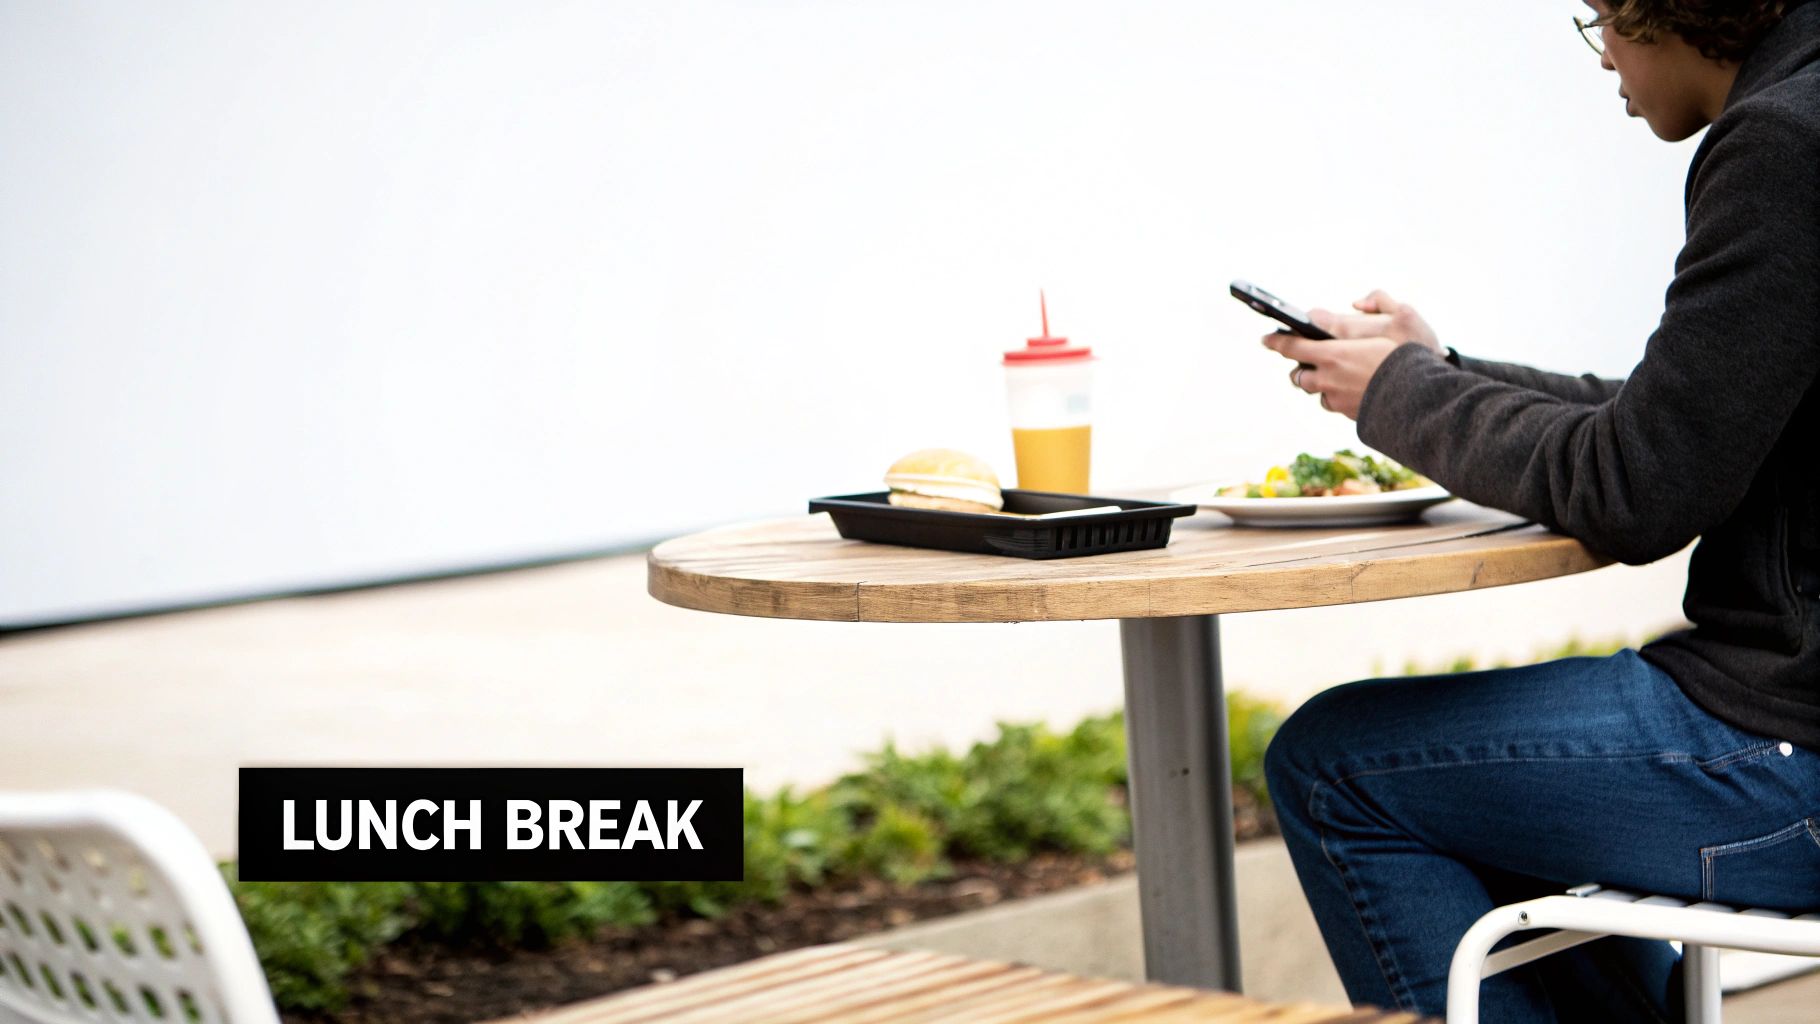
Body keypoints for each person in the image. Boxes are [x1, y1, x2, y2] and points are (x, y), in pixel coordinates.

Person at [1258, 1, 1820, 1019]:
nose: (1601, 51)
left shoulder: (1783, 142)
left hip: (1793, 761)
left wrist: (1397, 396)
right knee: (1471, 788)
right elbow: (1685, 416)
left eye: (1604, 15)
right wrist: (1435, 372)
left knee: (1330, 763)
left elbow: (1638, 488)